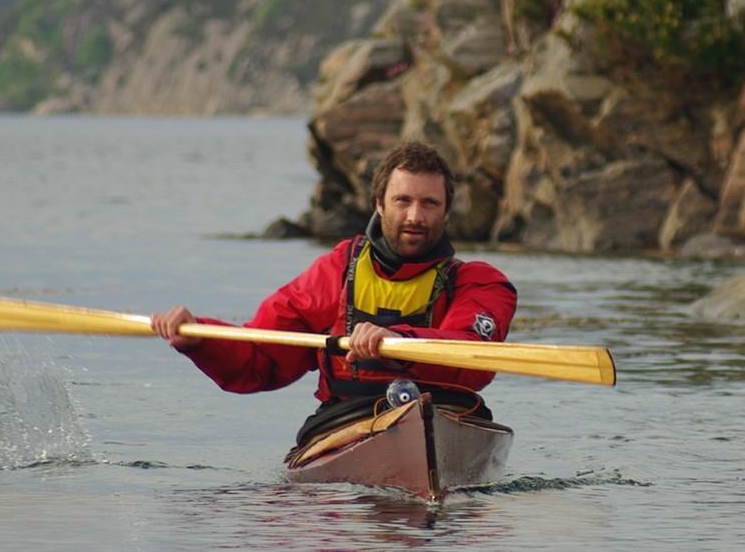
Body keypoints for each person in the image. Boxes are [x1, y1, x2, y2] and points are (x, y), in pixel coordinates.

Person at [151, 141, 517, 423]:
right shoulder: (337, 271)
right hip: (349, 420)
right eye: (402, 200)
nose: (414, 216)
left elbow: (471, 354)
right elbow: (260, 360)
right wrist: (200, 338)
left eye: (429, 204)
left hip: (443, 416)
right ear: (379, 204)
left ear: (447, 210)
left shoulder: (482, 284)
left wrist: (399, 342)